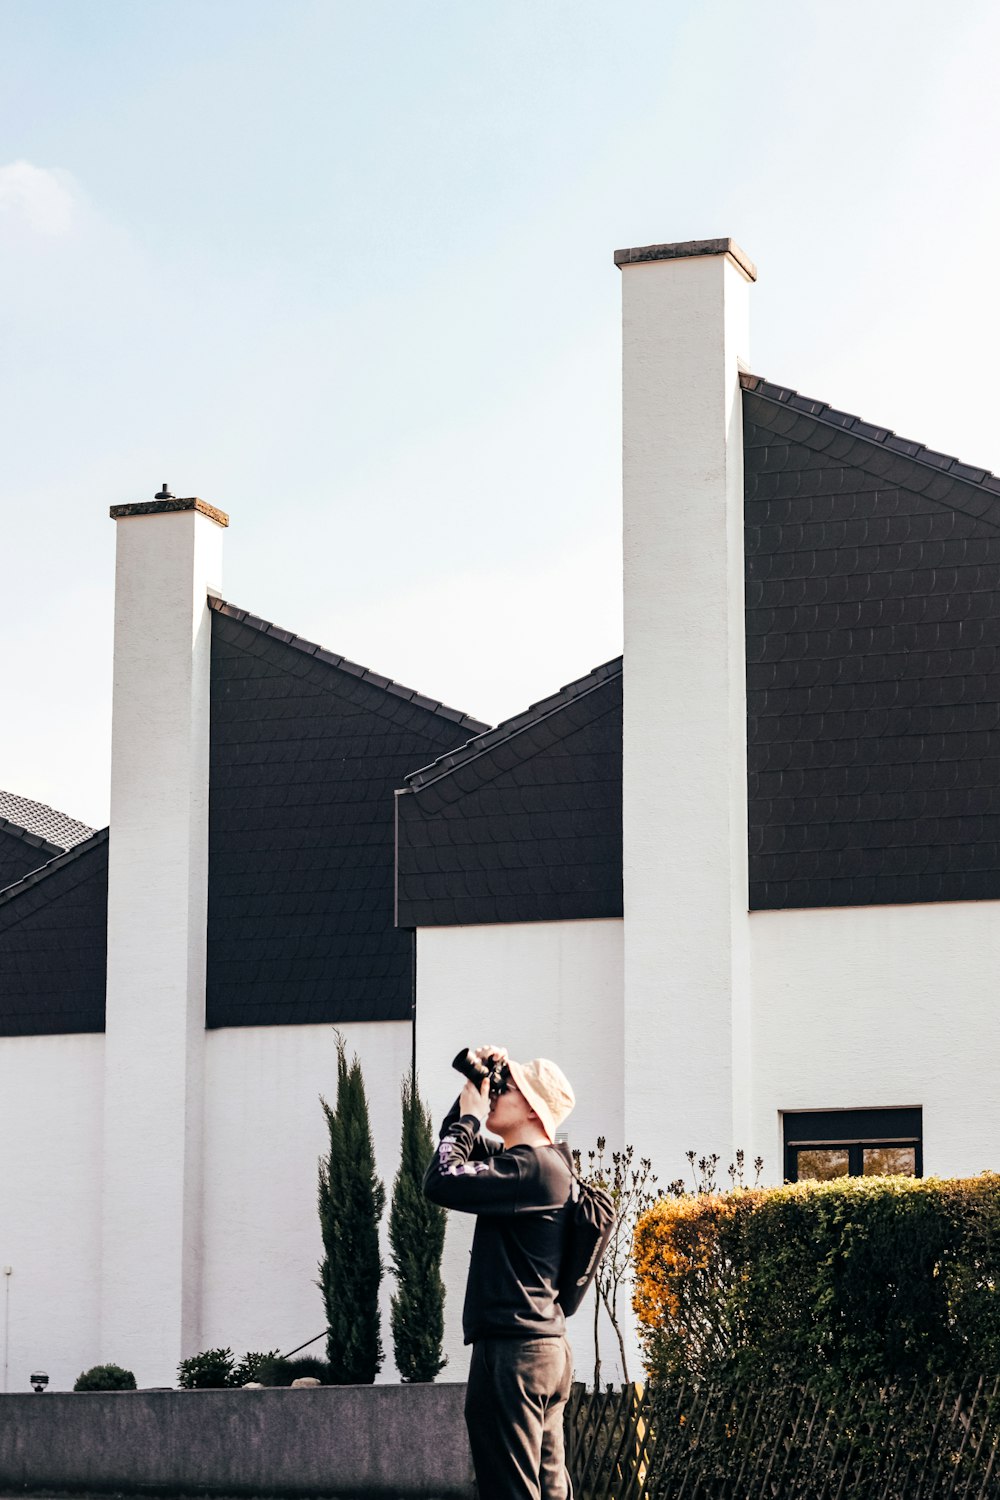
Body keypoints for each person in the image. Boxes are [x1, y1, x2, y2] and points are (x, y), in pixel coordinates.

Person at [423, 1044, 577, 1500]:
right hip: (541, 1350)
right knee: (546, 1490)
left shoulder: (529, 1169)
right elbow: (451, 1146)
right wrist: (474, 1090)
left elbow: (440, 1179)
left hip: (513, 1354)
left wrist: (471, 1116)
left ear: (531, 1108)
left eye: (505, 1088)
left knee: (508, 1490)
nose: (495, 1095)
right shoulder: (542, 1166)